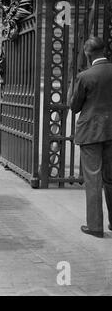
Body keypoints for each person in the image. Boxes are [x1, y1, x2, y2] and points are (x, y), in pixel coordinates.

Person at [70, 36, 112, 238]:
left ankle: (95, 227)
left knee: (93, 179)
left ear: (87, 54)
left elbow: (74, 106)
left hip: (91, 133)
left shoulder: (85, 76)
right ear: (104, 50)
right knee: (111, 178)